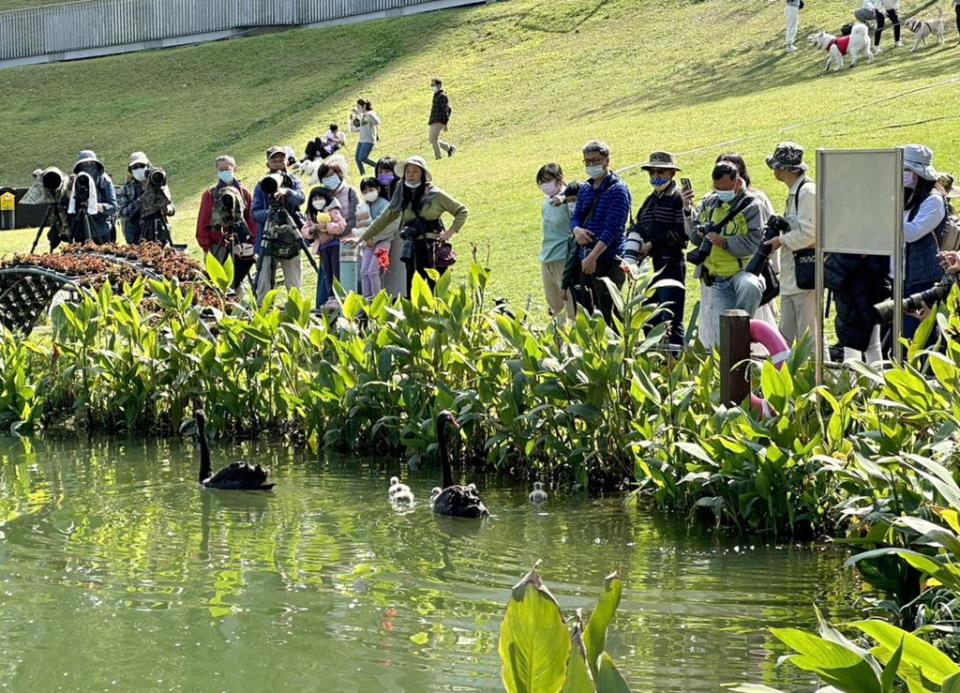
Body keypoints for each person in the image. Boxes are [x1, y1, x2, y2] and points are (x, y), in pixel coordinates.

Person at [355, 156, 468, 295]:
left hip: (432, 246)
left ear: (422, 174)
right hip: (411, 245)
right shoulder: (401, 193)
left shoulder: (435, 194)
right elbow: (384, 217)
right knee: (413, 285)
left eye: (415, 171)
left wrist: (450, 232)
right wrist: (363, 238)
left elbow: (461, 210)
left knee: (434, 287)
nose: (411, 175)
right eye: (408, 172)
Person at [682, 160, 765, 350]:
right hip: (716, 277)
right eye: (718, 188)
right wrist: (700, 229)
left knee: (751, 286)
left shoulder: (752, 205)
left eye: (726, 188)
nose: (722, 191)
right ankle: (729, 360)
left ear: (737, 183)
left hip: (742, 270)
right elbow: (694, 236)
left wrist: (726, 243)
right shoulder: (709, 202)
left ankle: (743, 330)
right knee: (722, 340)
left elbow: (755, 241)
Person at [629, 152, 688, 349]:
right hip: (648, 267)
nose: (655, 176)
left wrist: (652, 244)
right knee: (648, 317)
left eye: (660, 171)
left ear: (672, 173)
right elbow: (638, 225)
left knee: (669, 317)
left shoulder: (678, 198)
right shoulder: (649, 200)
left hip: (670, 263)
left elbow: (681, 234)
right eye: (651, 172)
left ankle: (675, 362)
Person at [570, 140, 632, 327]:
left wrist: (593, 256)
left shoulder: (618, 190)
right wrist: (577, 230)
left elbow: (613, 228)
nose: (591, 165)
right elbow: (576, 216)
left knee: (610, 315)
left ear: (607, 160)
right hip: (584, 256)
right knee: (588, 314)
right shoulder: (586, 188)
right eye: (587, 161)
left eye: (595, 160)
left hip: (607, 260)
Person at [715, 153, 779, 330]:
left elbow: (768, 233)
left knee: (756, 316)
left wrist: (774, 268)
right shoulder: (713, 201)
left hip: (753, 268)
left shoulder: (757, 199)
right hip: (718, 274)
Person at [764, 142, 818, 347]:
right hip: (793, 276)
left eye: (776, 166)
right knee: (784, 335)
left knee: (809, 336)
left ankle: (817, 377)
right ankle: (782, 375)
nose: (774, 171)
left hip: (805, 274)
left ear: (785, 169)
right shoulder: (798, 191)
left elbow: (811, 233)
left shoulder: (807, 192)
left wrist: (780, 240)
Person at [900, 144, 947, 340]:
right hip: (901, 276)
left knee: (919, 336)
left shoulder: (933, 201)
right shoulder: (907, 196)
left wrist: (889, 208)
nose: (902, 175)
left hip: (923, 279)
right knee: (901, 337)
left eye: (906, 170)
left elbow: (911, 233)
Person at [196, 155, 258, 291]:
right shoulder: (210, 194)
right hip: (217, 245)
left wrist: (252, 242)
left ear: (235, 168)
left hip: (241, 244)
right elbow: (203, 221)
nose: (224, 171)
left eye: (227, 168)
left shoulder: (244, 192)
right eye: (221, 169)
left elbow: (251, 218)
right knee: (219, 281)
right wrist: (206, 247)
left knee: (238, 279)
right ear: (217, 170)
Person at [252, 146, 306, 303]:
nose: (278, 163)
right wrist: (270, 213)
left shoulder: (294, 181)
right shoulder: (261, 185)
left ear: (286, 162)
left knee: (294, 282)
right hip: (268, 237)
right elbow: (255, 213)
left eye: (281, 160)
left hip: (290, 235)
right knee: (263, 282)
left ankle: (297, 313)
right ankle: (264, 312)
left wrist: (287, 192)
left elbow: (301, 199)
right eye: (274, 160)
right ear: (267, 164)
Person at [314, 156, 359, 308]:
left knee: (347, 278)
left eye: (331, 175)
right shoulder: (321, 196)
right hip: (326, 244)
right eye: (325, 177)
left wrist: (335, 232)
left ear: (339, 174)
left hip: (347, 243)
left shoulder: (350, 192)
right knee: (327, 276)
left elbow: (354, 218)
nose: (329, 179)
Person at [535, 163, 576, 320]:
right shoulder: (546, 203)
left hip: (563, 259)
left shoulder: (569, 199)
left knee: (572, 307)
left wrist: (565, 199)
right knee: (555, 308)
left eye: (548, 180)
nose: (545, 185)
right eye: (542, 182)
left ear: (559, 178)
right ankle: (559, 343)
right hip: (547, 258)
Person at [302, 186, 346, 308]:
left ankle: (339, 296)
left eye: (320, 198)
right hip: (322, 247)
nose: (317, 201)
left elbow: (341, 226)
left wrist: (327, 227)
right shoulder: (312, 215)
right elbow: (305, 230)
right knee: (327, 272)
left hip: (335, 245)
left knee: (336, 271)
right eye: (314, 198)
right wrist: (312, 230)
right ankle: (330, 297)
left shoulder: (333, 211)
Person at [67, 150, 118, 245]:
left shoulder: (105, 180)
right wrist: (70, 192)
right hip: (80, 230)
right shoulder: (76, 182)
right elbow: (70, 209)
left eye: (91, 164)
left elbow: (113, 207)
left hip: (102, 230)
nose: (88, 167)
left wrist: (94, 206)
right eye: (84, 165)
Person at [373, 156, 407, 297]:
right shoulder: (376, 192)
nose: (382, 175)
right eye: (379, 172)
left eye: (386, 171)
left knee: (400, 271)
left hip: (400, 236)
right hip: (384, 239)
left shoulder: (401, 189)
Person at [357, 177, 392, 300]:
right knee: (364, 272)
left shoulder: (384, 204)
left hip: (382, 242)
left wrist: (373, 238)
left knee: (373, 271)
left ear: (378, 189)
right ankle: (367, 300)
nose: (368, 193)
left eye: (371, 190)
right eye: (365, 192)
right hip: (368, 243)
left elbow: (384, 225)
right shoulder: (365, 206)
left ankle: (378, 300)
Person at [116, 151, 151, 244]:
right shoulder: (127, 188)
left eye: (142, 166)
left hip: (155, 231)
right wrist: (139, 202)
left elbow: (170, 208)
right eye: (135, 167)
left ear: (148, 166)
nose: (139, 169)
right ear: (130, 170)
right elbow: (122, 213)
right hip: (135, 234)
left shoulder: (156, 182)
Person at [428, 78, 456, 160]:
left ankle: (438, 157)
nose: (432, 86)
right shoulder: (436, 95)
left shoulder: (443, 96)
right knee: (432, 139)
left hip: (439, 120)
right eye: (431, 85)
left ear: (439, 85)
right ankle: (449, 149)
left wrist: (445, 123)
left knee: (433, 139)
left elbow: (447, 110)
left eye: (433, 85)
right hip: (434, 120)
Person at [355, 100, 381, 176]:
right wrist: (357, 114)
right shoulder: (363, 115)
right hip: (361, 140)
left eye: (358, 107)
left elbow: (377, 122)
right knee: (357, 159)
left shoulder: (370, 113)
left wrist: (367, 114)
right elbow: (364, 125)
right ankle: (363, 175)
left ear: (364, 106)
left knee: (362, 158)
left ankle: (379, 167)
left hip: (368, 140)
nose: (357, 108)